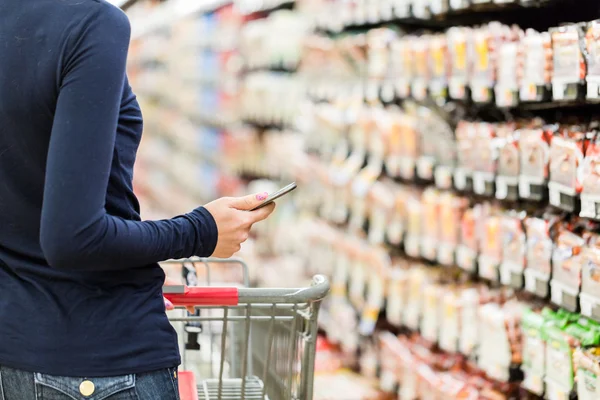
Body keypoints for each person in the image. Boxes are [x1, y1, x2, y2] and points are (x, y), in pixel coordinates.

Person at [0, 0, 275, 398]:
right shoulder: (91, 23)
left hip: (18, 351)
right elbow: (74, 238)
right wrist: (202, 231)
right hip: (104, 364)